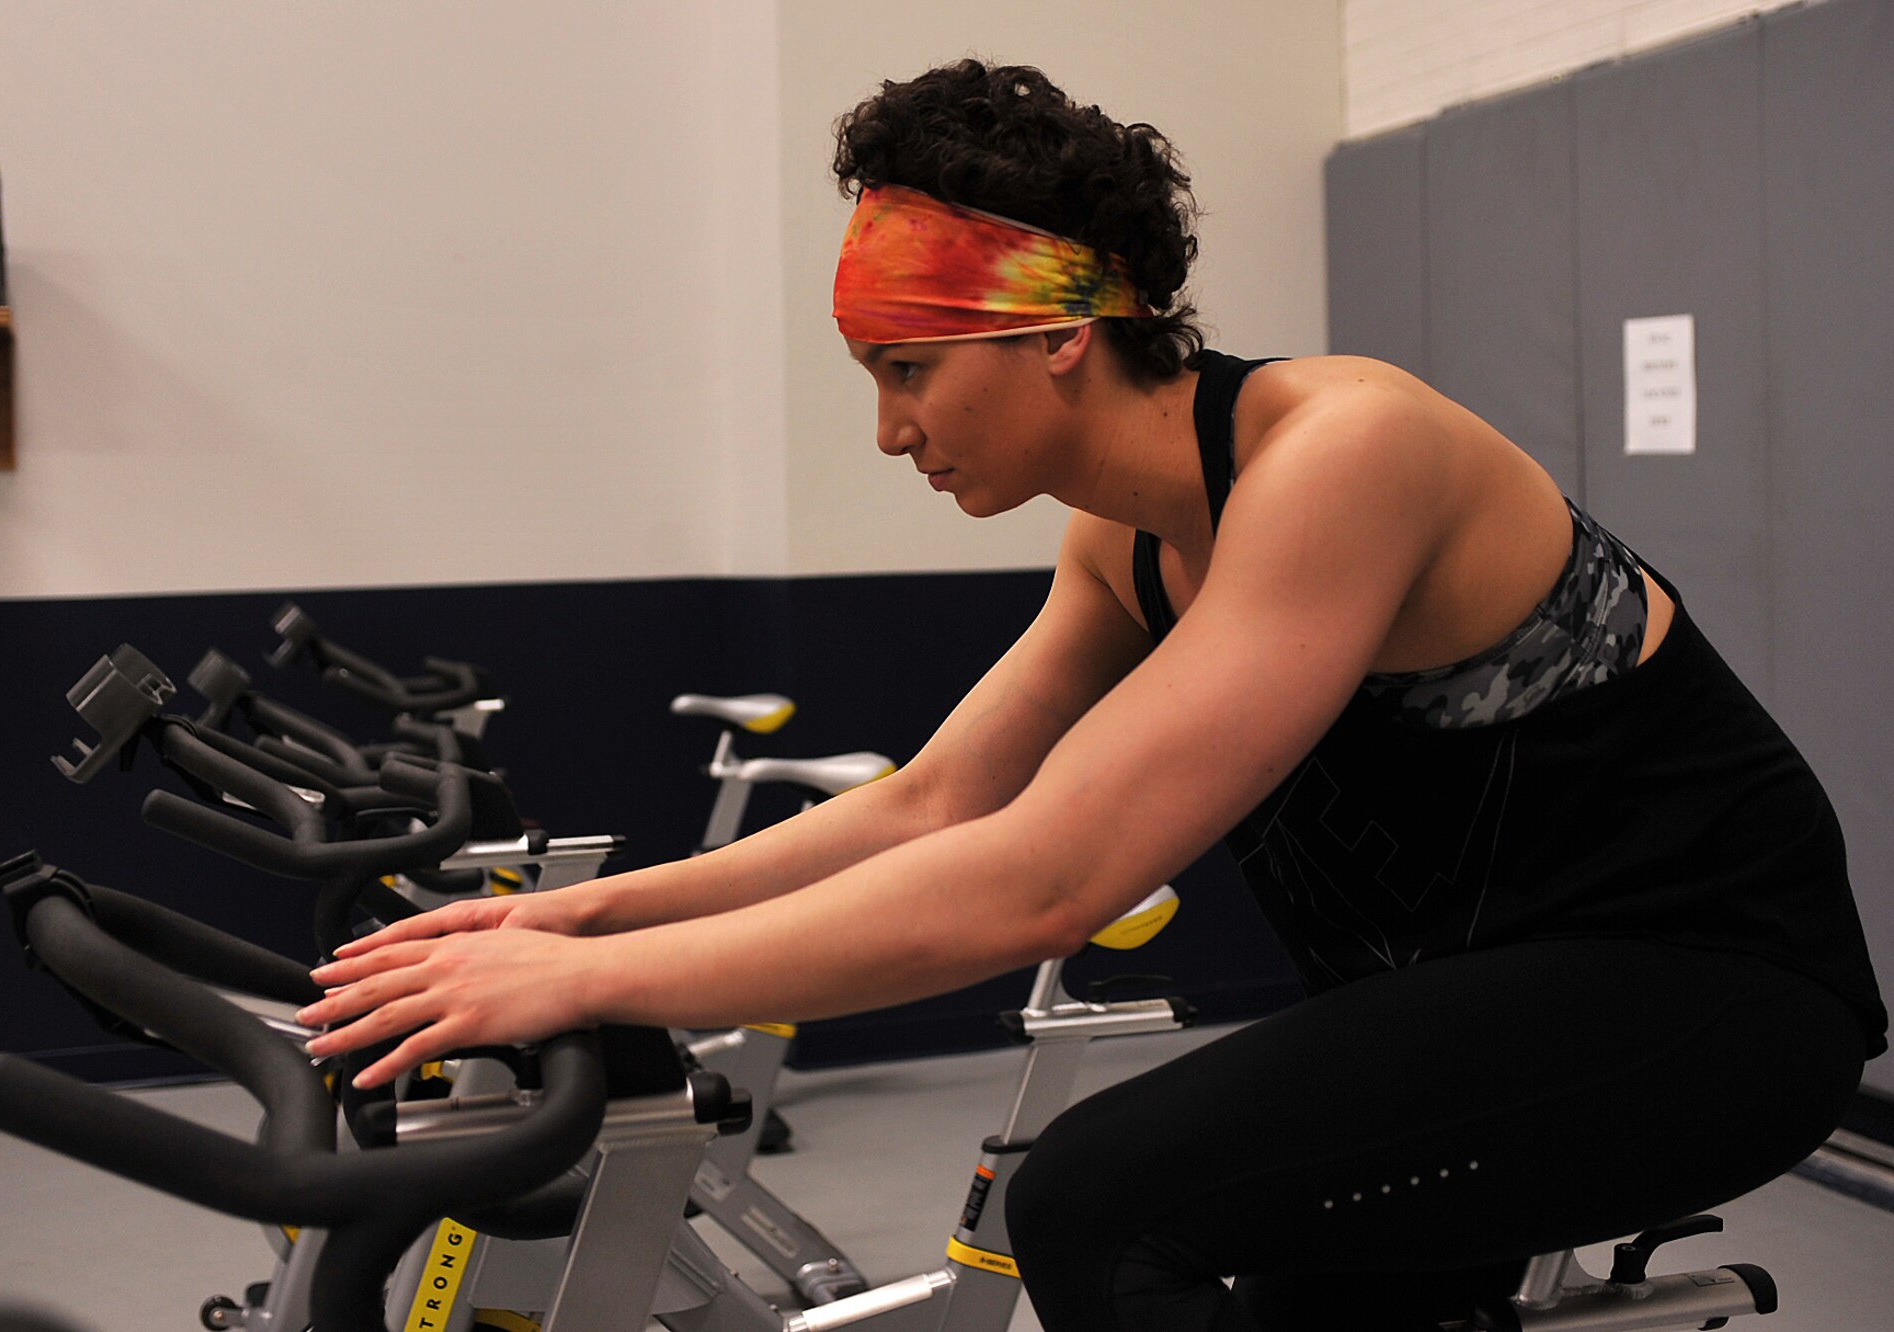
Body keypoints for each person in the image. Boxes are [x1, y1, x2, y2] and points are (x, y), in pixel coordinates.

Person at [296, 60, 1886, 1330]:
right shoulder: (1123, 540)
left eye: (905, 370)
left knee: (1095, 1201)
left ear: (1058, 329)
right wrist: (576, 923)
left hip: (1709, 997)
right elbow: (933, 802)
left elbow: (1044, 879)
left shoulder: (1343, 451)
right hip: (1475, 1013)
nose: (889, 432)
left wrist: (596, 987)